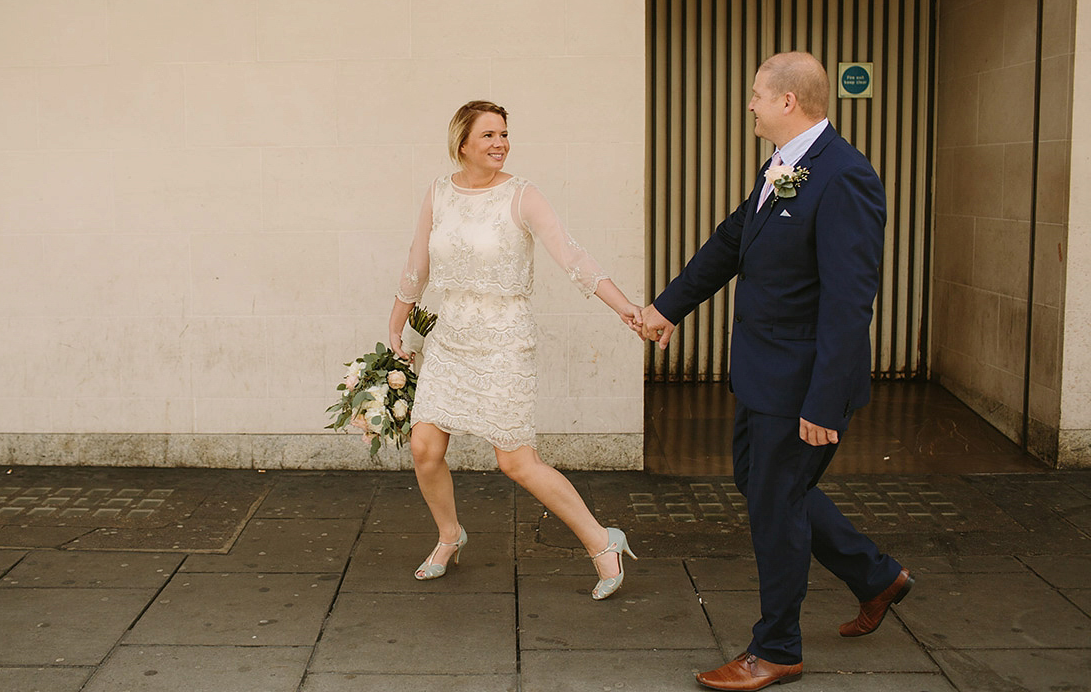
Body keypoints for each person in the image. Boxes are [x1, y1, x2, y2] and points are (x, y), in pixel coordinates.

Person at [637, 53, 914, 690]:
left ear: (788, 101)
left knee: (776, 502)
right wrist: (666, 307)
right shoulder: (783, 165)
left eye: (758, 94)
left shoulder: (845, 177)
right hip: (764, 374)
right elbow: (733, 240)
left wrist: (824, 402)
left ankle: (778, 647)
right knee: (759, 482)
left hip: (803, 382)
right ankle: (877, 576)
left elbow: (850, 302)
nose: (751, 104)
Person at [390, 100, 640, 599]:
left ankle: (602, 541)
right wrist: (397, 328)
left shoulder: (523, 196)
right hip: (450, 335)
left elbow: (572, 256)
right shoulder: (438, 193)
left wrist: (625, 307)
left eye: (504, 134)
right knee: (424, 446)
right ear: (462, 142)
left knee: (515, 461)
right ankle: (448, 536)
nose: (500, 143)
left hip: (504, 338)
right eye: (488, 135)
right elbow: (418, 260)